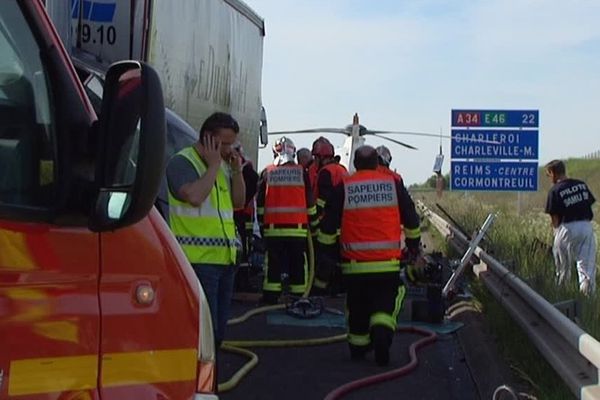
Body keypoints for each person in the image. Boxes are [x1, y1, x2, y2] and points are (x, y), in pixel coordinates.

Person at [317, 145, 422, 366]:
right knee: (385, 302)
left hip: (354, 266)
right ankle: (382, 332)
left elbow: (328, 227)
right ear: (377, 163)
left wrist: (327, 255)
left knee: (357, 307)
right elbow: (411, 219)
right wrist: (413, 247)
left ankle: (358, 346)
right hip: (387, 264)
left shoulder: (344, 186)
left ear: (355, 164)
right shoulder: (393, 184)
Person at [166, 112, 245, 347]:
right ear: (210, 139)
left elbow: (239, 202)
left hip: (224, 261)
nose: (230, 149)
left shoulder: (220, 168)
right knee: (204, 334)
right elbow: (195, 196)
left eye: (233, 144)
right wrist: (212, 165)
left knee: (217, 333)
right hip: (198, 262)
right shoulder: (182, 162)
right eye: (226, 143)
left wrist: (237, 170)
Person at [256, 137, 317, 303]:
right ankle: (299, 297)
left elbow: (260, 203)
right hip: (298, 230)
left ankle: (270, 297)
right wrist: (314, 223)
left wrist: (261, 224)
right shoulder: (301, 172)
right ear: (293, 151)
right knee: (298, 264)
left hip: (272, 228)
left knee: (273, 265)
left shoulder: (267, 172)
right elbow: (310, 202)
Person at [545, 159, 597, 295]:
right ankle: (587, 301)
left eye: (548, 174)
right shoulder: (581, 185)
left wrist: (556, 235)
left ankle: (561, 298)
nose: (549, 178)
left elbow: (555, 218)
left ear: (553, 173)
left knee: (563, 269)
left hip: (566, 228)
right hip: (586, 227)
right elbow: (588, 204)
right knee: (586, 269)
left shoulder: (555, 191)